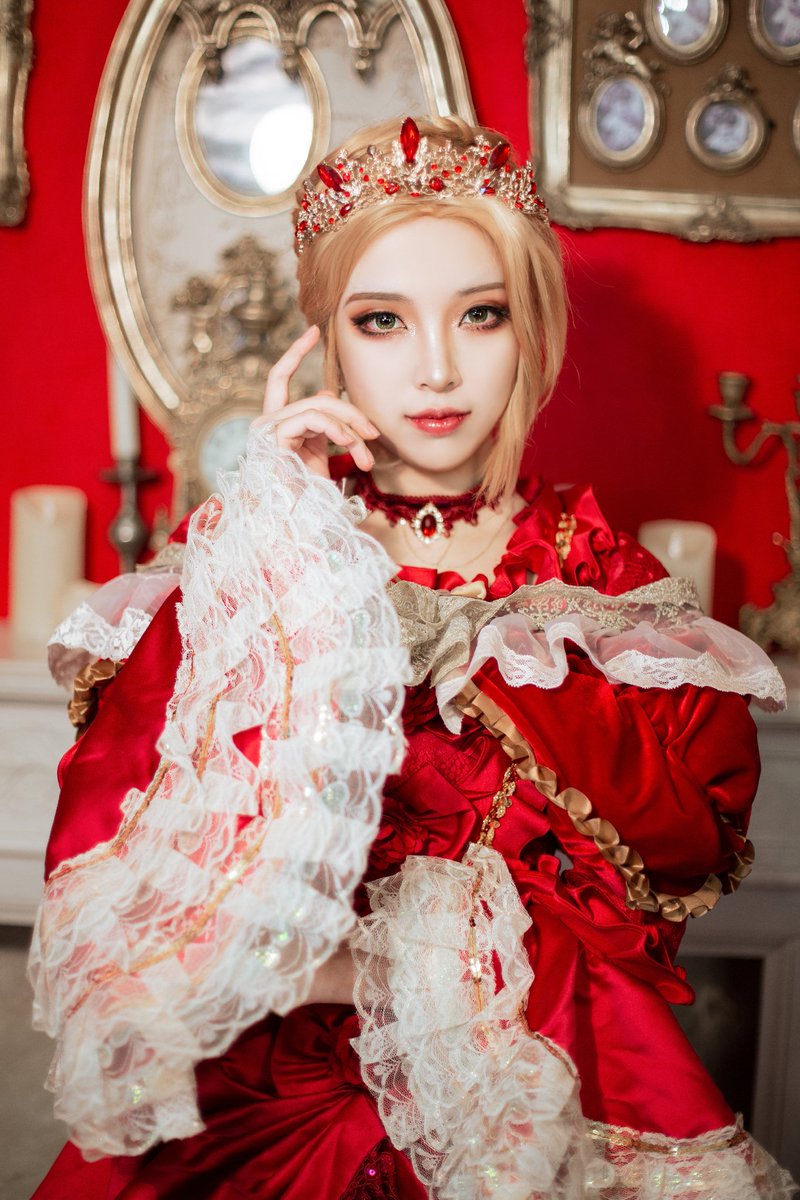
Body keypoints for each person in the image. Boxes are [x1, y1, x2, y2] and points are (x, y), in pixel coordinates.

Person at [30, 115, 796, 1199]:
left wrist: (385, 959)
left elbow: (663, 873)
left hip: (519, 1098)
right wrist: (276, 542)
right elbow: (128, 870)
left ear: (531, 326)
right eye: (381, 320)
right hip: (253, 1103)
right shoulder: (244, 558)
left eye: (480, 314)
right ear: (326, 340)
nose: (436, 369)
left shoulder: (602, 589)